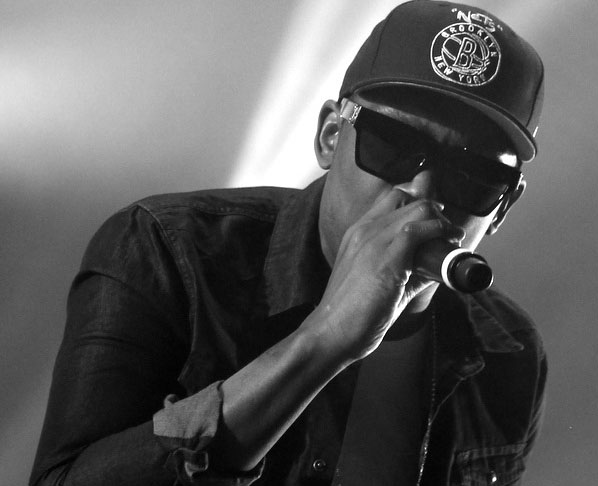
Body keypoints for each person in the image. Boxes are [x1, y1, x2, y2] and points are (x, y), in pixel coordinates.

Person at [30, 1, 547, 485]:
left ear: (503, 206)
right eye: (393, 144)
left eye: (475, 175)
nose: (422, 190)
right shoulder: (164, 250)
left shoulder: (509, 349)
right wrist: (323, 341)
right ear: (330, 136)